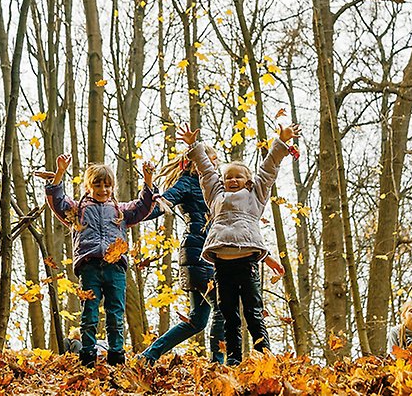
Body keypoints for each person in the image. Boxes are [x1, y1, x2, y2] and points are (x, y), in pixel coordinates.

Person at [179, 123, 298, 366]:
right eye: (228, 177)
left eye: (238, 176)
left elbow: (268, 170)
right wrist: (194, 146)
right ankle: (233, 358)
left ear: (248, 181)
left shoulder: (256, 195)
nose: (233, 180)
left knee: (253, 313)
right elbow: (206, 172)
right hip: (222, 265)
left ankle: (264, 357)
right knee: (228, 314)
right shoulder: (215, 197)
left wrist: (281, 142)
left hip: (248, 263)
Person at [41, 154, 155, 367]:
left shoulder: (120, 211)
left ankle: (116, 357)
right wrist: (60, 172)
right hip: (89, 266)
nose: (103, 189)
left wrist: (147, 179)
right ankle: (87, 356)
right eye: (98, 185)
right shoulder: (78, 210)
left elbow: (142, 206)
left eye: (107, 185)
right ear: (88, 186)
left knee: (115, 313)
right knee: (89, 314)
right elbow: (57, 201)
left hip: (116, 268)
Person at [140, 145, 226, 364]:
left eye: (216, 160)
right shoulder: (188, 183)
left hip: (206, 253)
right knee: (222, 307)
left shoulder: (216, 187)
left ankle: (149, 354)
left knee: (197, 321)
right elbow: (161, 204)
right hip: (200, 253)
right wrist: (140, 208)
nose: (214, 164)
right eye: (210, 159)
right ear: (194, 162)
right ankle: (219, 365)